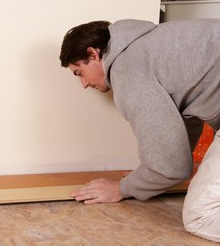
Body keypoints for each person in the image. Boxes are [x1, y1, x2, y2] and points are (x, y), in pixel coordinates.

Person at [59, 19, 220, 242]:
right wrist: (146, 175)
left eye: (79, 72)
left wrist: (122, 188)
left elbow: (171, 167)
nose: (84, 84)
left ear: (93, 54)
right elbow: (184, 121)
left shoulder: (127, 72)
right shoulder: (146, 46)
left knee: (200, 216)